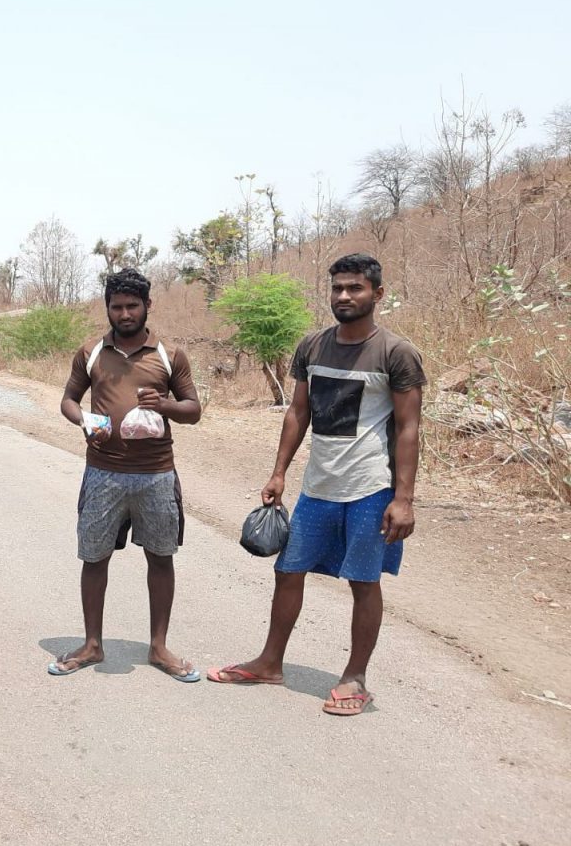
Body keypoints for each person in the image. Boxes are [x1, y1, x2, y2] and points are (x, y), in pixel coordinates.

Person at [208, 253, 425, 716]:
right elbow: (299, 412)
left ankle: (355, 678)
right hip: (317, 487)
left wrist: (403, 499)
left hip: (371, 488)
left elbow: (409, 427)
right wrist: (279, 471)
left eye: (355, 288)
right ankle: (269, 662)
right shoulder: (312, 347)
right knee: (288, 571)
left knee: (363, 582)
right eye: (337, 288)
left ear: (377, 294)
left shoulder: (395, 352)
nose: (344, 296)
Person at [48, 268, 202, 682]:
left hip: (156, 474)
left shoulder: (170, 355)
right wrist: (83, 419)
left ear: (148, 306)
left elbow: (194, 411)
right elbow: (67, 399)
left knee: (161, 556)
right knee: (94, 557)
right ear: (108, 309)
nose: (125, 313)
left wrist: (164, 405)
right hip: (103, 474)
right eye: (117, 306)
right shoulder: (91, 352)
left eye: (133, 305)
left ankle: (158, 647)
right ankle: (92, 645)